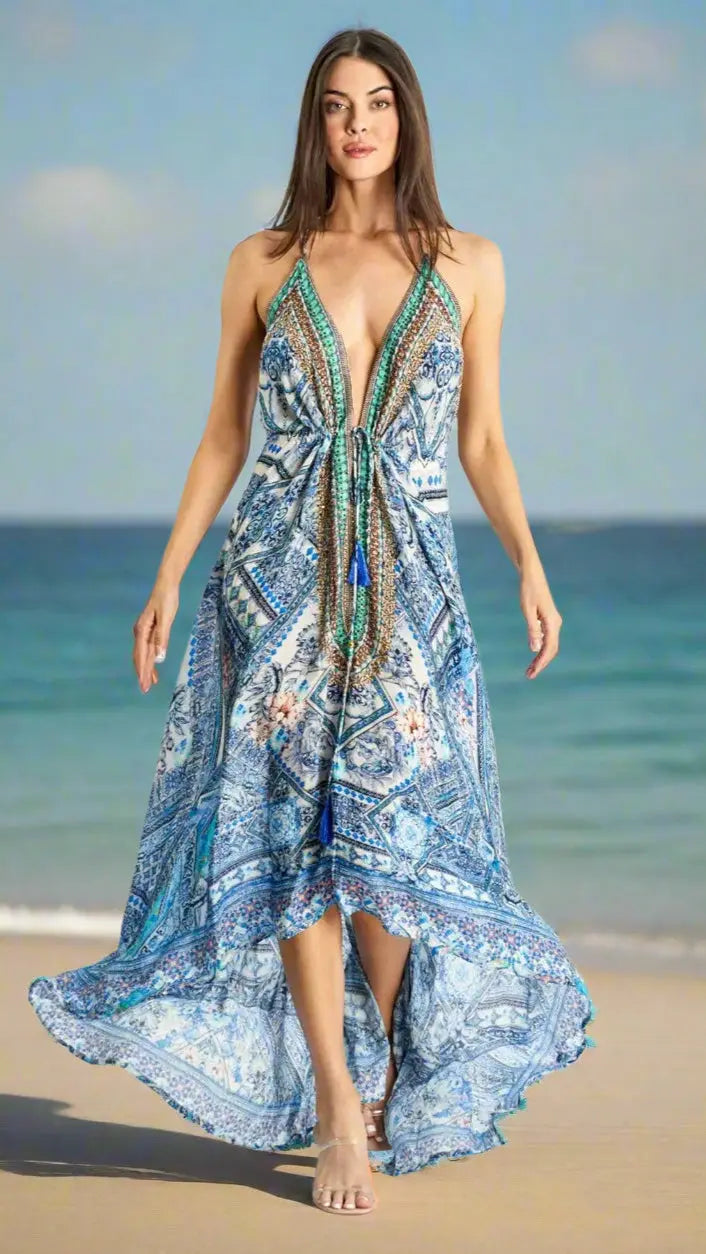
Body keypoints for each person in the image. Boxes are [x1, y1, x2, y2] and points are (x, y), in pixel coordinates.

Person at [28, 26, 596, 1217]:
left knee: (396, 856)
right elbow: (225, 434)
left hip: (411, 594)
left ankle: (382, 1048)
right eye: (337, 105)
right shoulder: (261, 260)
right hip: (278, 587)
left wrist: (531, 567)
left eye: (378, 102)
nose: (357, 124)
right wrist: (170, 572)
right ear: (315, 122)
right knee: (297, 848)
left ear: (407, 118)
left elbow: (480, 440)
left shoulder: (472, 262)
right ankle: (340, 1108)